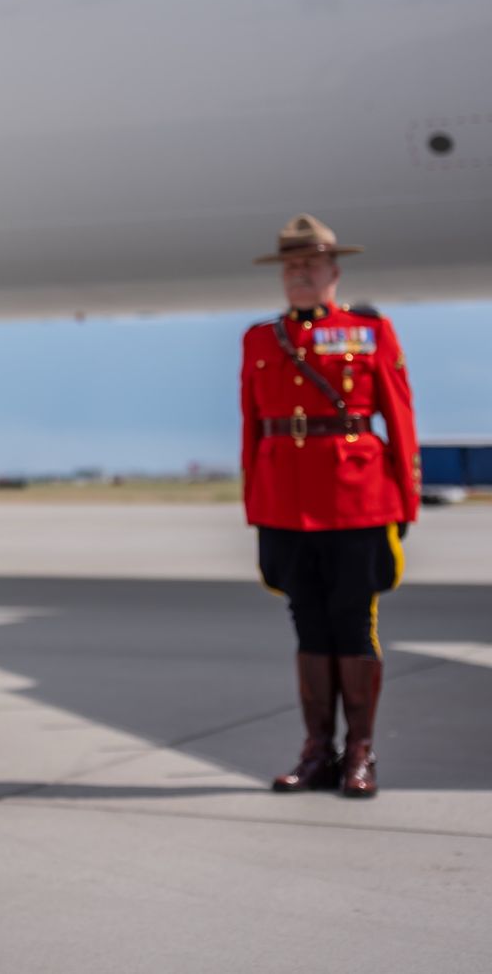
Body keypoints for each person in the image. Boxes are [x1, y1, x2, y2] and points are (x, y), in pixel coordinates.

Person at [243, 214, 417, 799]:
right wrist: (255, 503)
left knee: (353, 625)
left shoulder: (370, 334)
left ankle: (360, 754)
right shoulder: (261, 340)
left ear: (333, 271)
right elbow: (253, 426)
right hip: (284, 505)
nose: (299, 275)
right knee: (307, 624)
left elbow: (399, 419)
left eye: (310, 265)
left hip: (357, 503)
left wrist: (405, 502)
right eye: (291, 267)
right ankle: (317, 751)